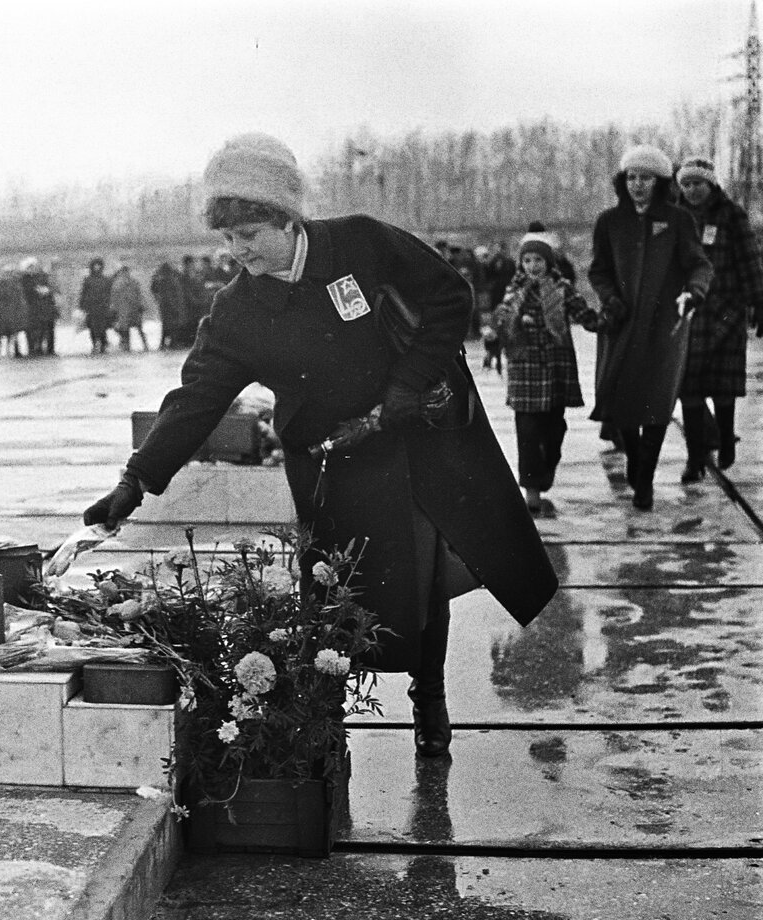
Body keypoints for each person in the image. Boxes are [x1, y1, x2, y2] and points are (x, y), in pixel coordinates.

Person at [83, 132, 558, 760]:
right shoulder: (238, 312)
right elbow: (196, 397)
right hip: (331, 463)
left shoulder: (360, 242)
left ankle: (430, 698)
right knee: (334, 595)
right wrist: (135, 480)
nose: (237, 250)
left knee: (421, 579)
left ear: (287, 217)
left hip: (406, 437)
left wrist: (407, 384)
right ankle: (326, 718)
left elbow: (450, 296)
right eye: (227, 238)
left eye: (249, 233)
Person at [588, 144, 713, 510]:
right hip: (622, 324)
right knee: (623, 396)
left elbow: (699, 265)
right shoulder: (609, 222)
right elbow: (598, 270)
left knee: (657, 400)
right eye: (631, 177)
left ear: (659, 182)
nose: (637, 185)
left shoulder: (677, 221)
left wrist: (693, 293)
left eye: (645, 178)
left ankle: (645, 480)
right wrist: (610, 299)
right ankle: (635, 462)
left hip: (664, 327)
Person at [492, 232, 601, 514]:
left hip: (554, 369)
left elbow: (585, 316)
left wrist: (608, 321)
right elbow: (503, 318)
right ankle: (532, 491)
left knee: (554, 429)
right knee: (527, 431)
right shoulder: (514, 290)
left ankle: (548, 464)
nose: (532, 266)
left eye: (538, 259)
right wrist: (497, 329)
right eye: (527, 260)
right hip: (524, 370)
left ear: (548, 262)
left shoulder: (562, 289)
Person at [674, 155, 763, 481]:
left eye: (697, 183)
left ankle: (726, 440)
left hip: (727, 309)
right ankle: (695, 457)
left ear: (710, 184)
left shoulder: (731, 215)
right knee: (690, 389)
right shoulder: (675, 217)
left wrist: (758, 300)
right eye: (686, 184)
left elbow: (749, 259)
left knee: (723, 386)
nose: (692, 189)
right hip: (690, 311)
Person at [110, 262, 149, 351]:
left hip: (128, 310)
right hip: (127, 310)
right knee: (131, 329)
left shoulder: (119, 284)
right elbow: (115, 298)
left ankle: (130, 346)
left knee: (132, 329)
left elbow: (139, 295)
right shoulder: (128, 283)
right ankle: (132, 346)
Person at [0, 265, 27, 357]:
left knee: (13, 333)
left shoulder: (16, 286)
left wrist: (20, 310)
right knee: (1, 333)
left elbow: (20, 299)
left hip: (14, 313)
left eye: (10, 273)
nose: (8, 275)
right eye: (6, 273)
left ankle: (13, 351)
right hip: (2, 314)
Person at [78, 257, 113, 353]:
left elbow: (109, 293)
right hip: (91, 308)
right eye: (95, 266)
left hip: (103, 307)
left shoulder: (106, 280)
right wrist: (82, 306)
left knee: (103, 327)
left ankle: (103, 344)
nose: (97, 267)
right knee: (92, 328)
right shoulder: (88, 280)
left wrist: (109, 304)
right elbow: (84, 293)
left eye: (98, 265)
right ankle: (94, 344)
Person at [150, 260, 186, 349]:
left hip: (165, 306)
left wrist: (157, 299)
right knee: (173, 325)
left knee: (167, 325)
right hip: (171, 306)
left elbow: (154, 290)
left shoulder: (161, 279)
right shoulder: (168, 280)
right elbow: (171, 295)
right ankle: (172, 343)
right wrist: (175, 306)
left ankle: (164, 344)